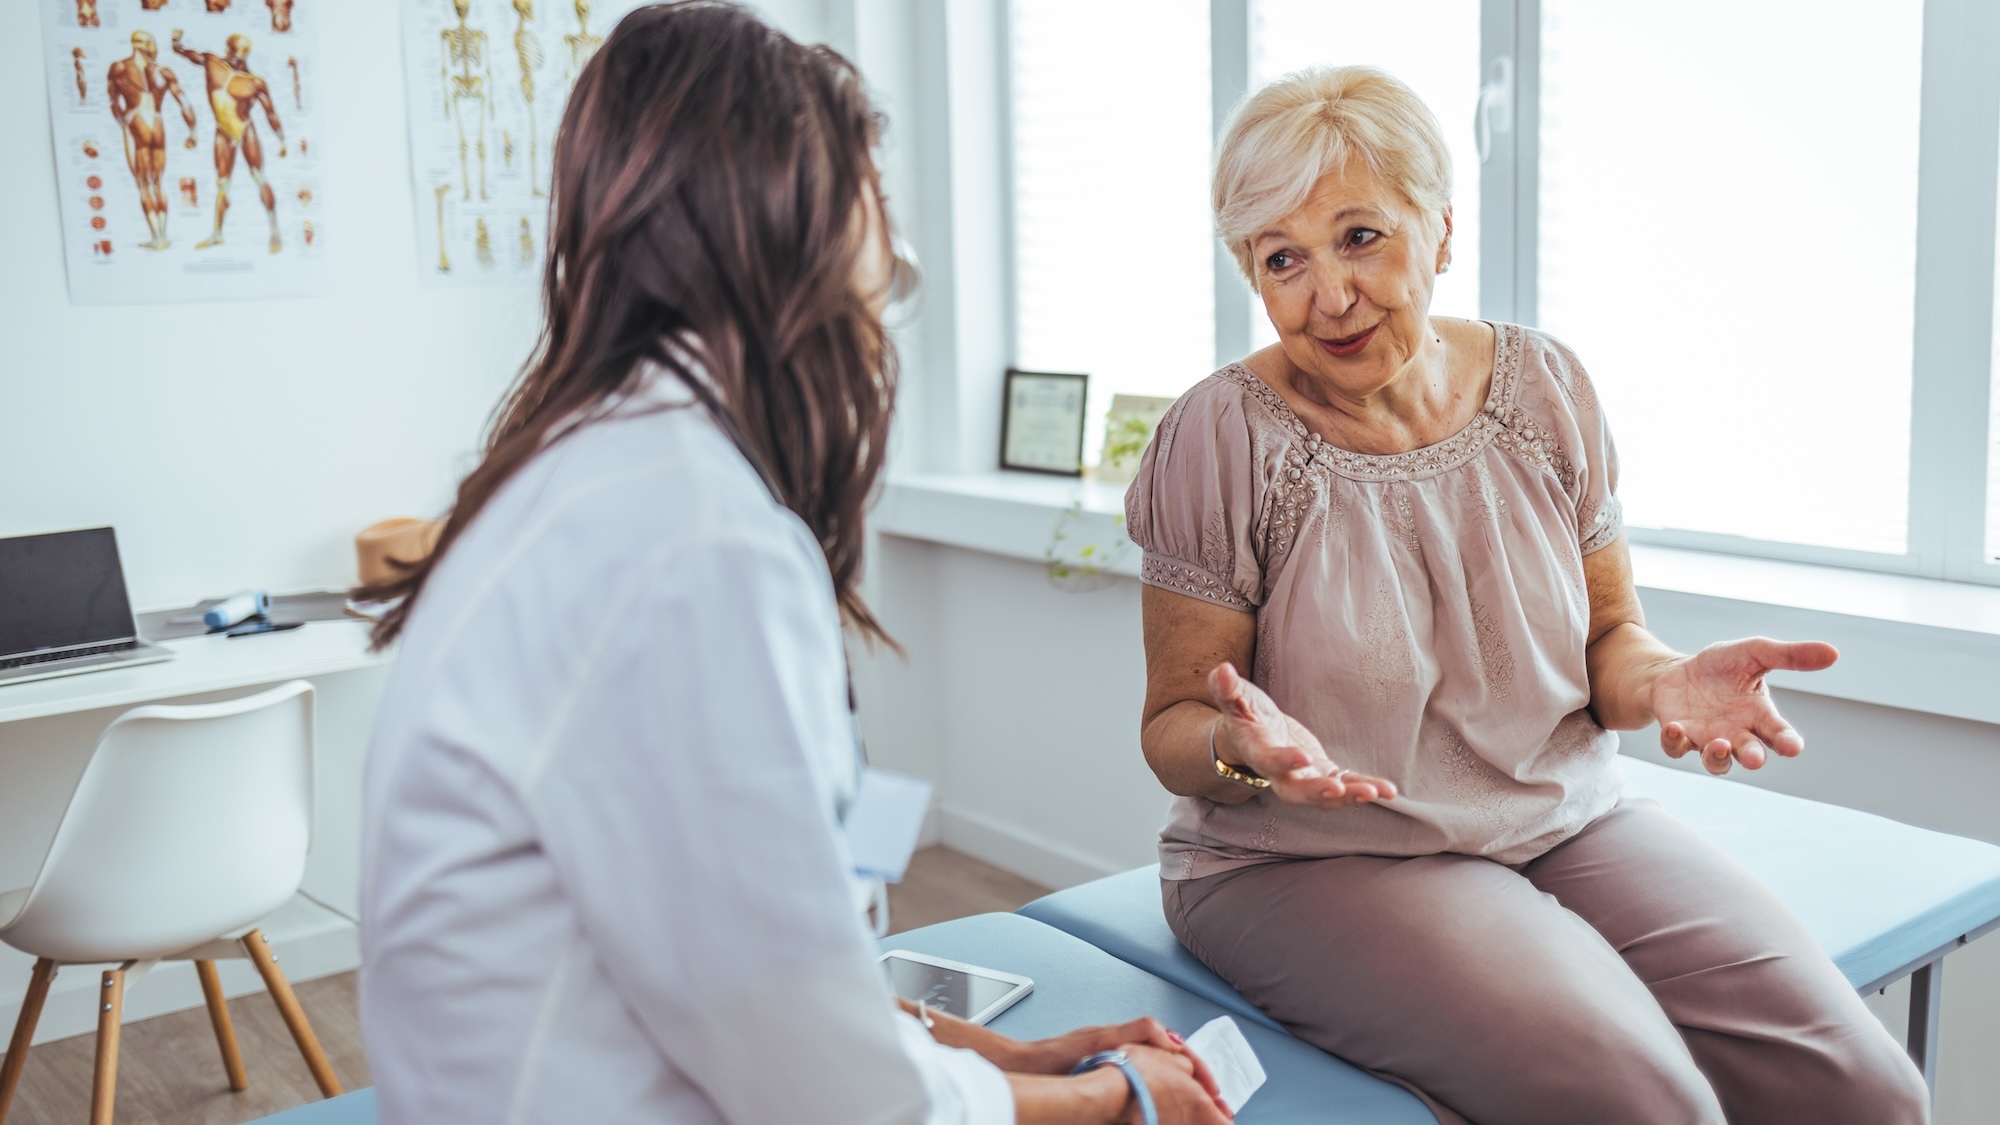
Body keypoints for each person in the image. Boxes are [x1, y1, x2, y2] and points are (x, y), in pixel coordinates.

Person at [355, 5, 1230, 1123]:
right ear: (794, 238)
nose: (878, 313)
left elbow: (736, 966)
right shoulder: (690, 542)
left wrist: (999, 1057)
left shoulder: (591, 475)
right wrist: (1115, 1099)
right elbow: (825, 1092)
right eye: (880, 268)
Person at [1126, 64, 1930, 1124]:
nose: (1327, 297)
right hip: (1304, 859)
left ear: (1440, 230)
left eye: (1359, 237)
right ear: (1251, 273)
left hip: (1560, 817)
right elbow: (1172, 724)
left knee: (1866, 1089)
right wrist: (1245, 752)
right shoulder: (1220, 436)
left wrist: (1664, 682)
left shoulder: (1543, 391)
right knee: (1643, 1102)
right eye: (1284, 259)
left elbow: (1609, 647)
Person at [170, 30, 286, 253]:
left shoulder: (255, 82)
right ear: (227, 49)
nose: (238, 56)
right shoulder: (212, 62)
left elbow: (270, 113)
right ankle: (217, 234)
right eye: (235, 51)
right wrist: (176, 43)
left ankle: (274, 230)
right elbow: (187, 54)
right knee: (222, 185)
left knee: (259, 178)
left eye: (242, 53)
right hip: (222, 131)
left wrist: (281, 139)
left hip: (244, 129)